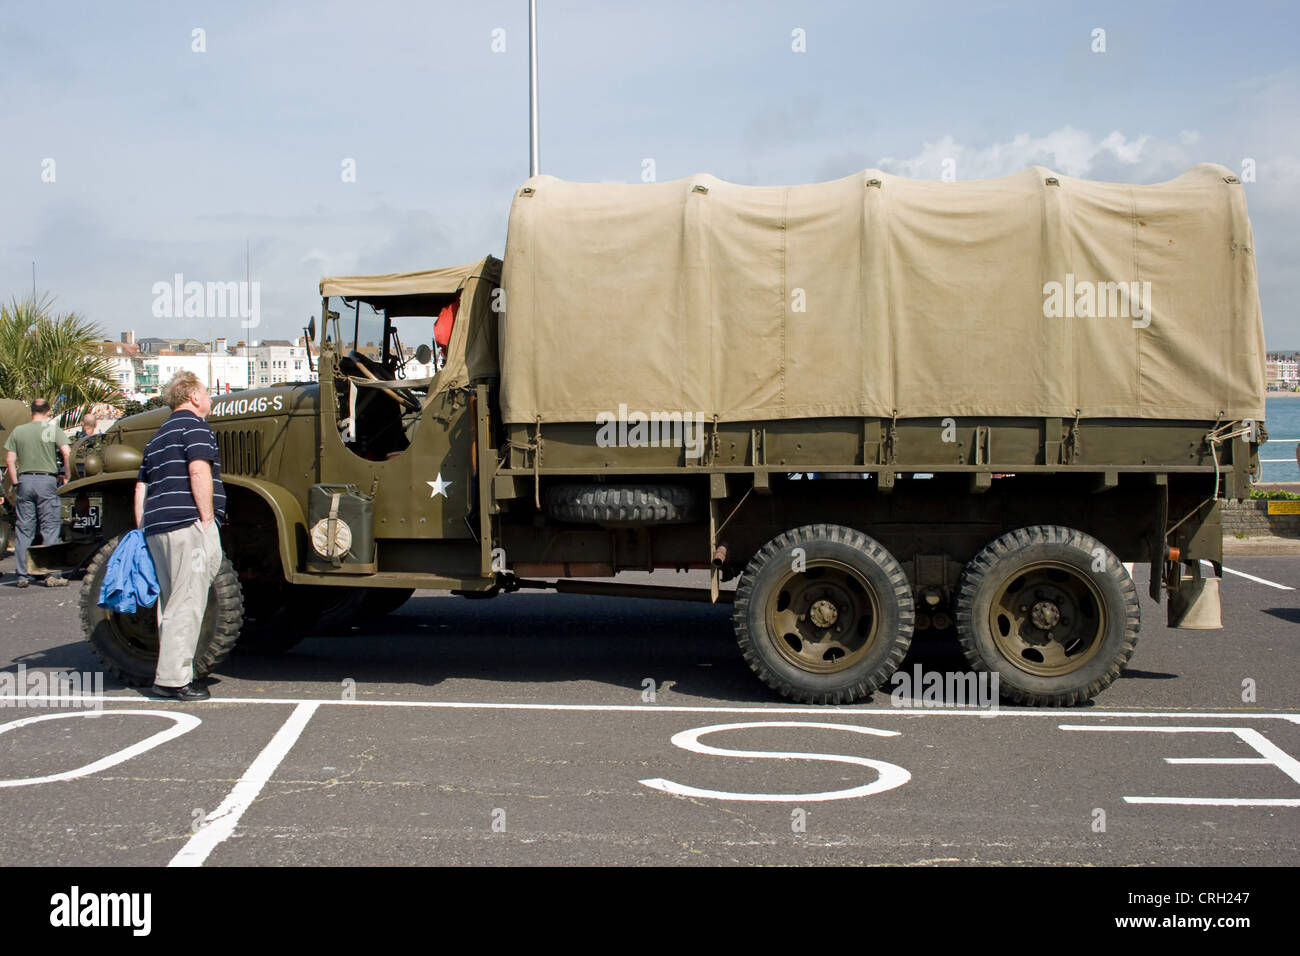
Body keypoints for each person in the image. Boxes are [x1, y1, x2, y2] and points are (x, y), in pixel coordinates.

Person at [134, 371, 225, 701]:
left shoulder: (156, 437)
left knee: (170, 603)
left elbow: (141, 486)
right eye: (207, 393)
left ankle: (169, 671)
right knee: (187, 603)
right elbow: (198, 470)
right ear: (195, 398)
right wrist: (206, 518)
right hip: (187, 525)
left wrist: (143, 529)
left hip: (158, 527)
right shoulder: (195, 427)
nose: (211, 399)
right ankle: (173, 681)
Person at [4, 398, 71, 588]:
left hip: (25, 481)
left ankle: (22, 575)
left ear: (32, 411)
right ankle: (51, 574)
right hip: (46, 481)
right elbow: (66, 452)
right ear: (48, 411)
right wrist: (66, 475)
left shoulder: (19, 431)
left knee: (24, 529)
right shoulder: (51, 429)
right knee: (49, 528)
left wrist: (17, 482)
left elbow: (10, 460)